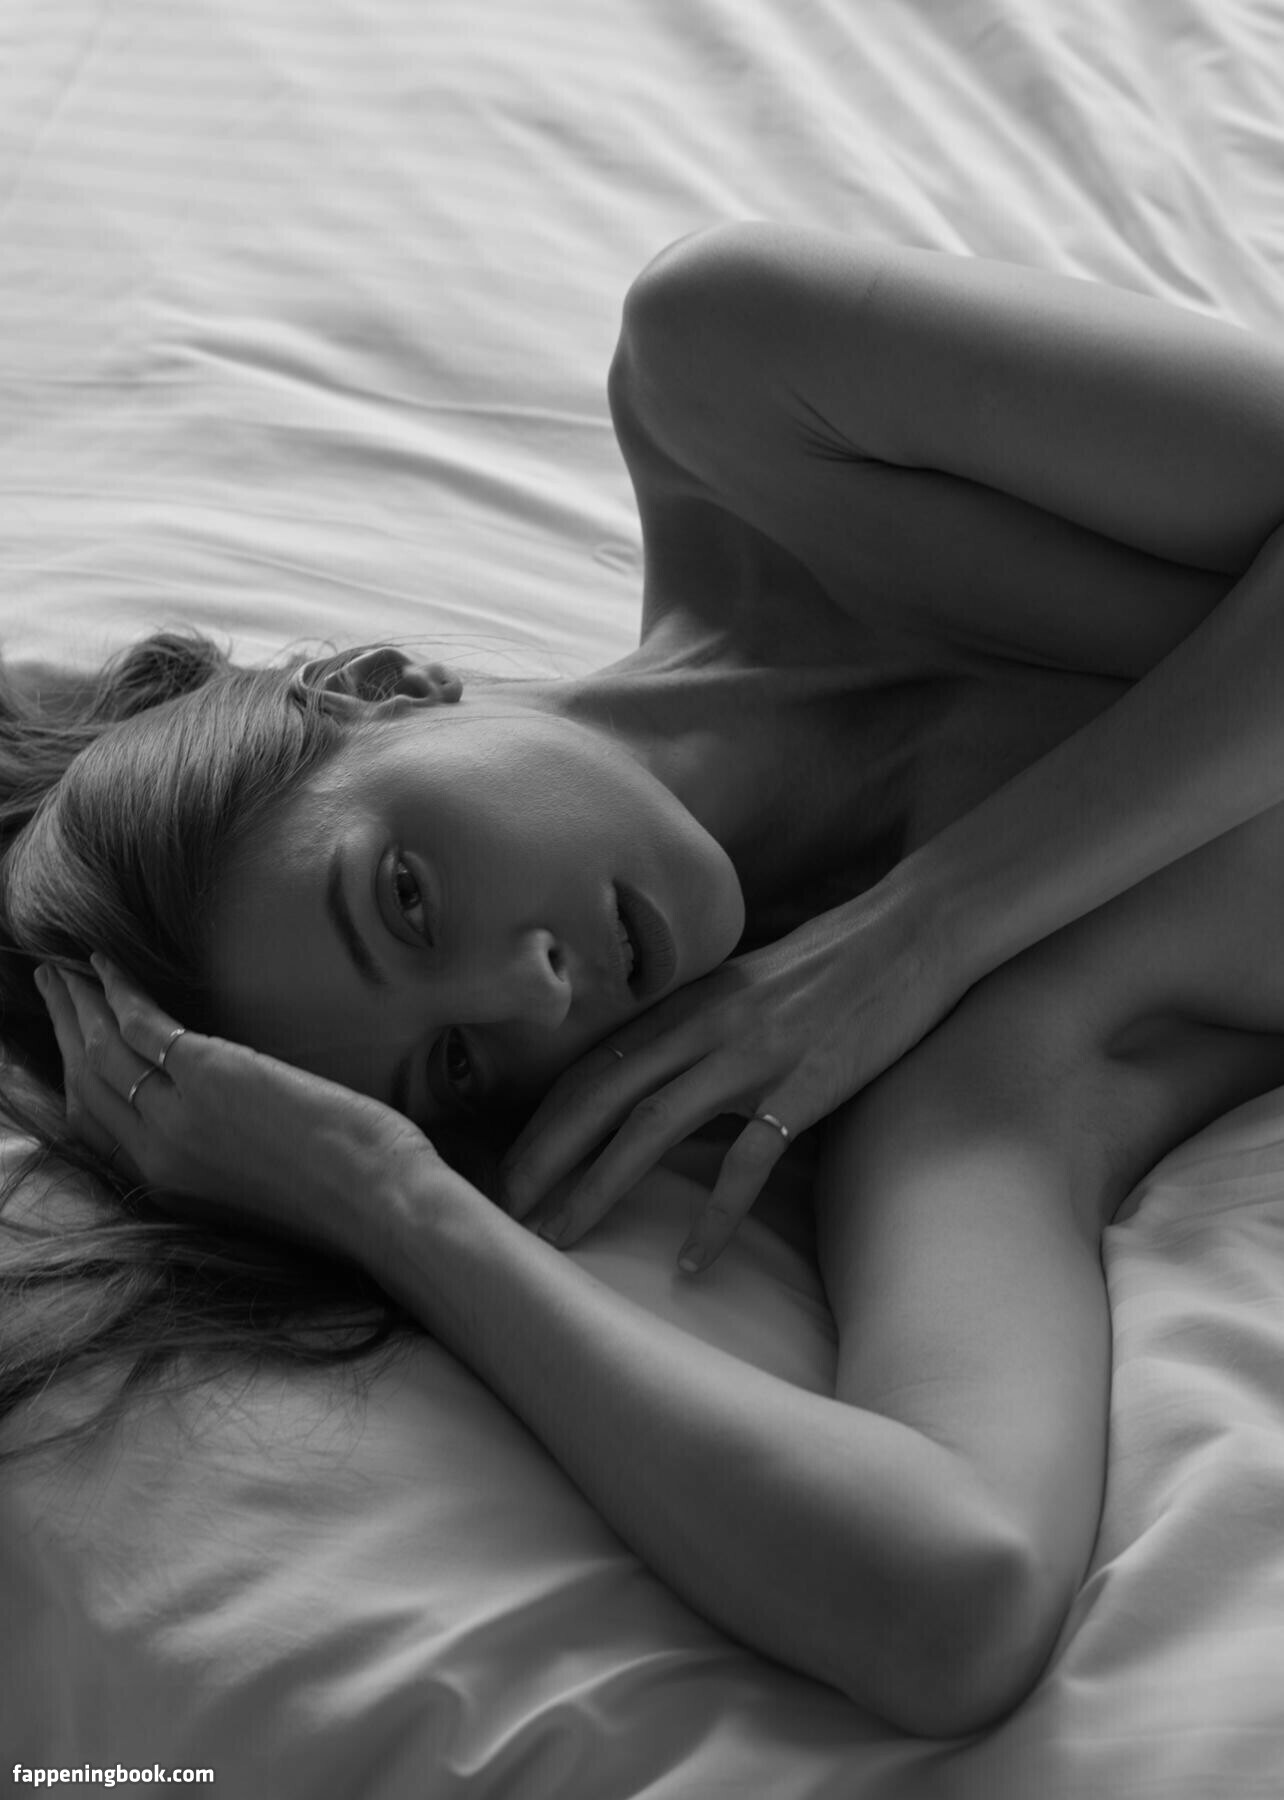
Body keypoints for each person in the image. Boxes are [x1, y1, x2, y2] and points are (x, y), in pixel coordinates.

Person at [7, 220, 1284, 1736]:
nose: (534, 995)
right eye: (455, 1069)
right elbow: (955, 1597)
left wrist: (929, 923)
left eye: (405, 901)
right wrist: (390, 1200)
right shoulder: (949, 1074)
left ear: (378, 686)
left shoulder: (742, 385)